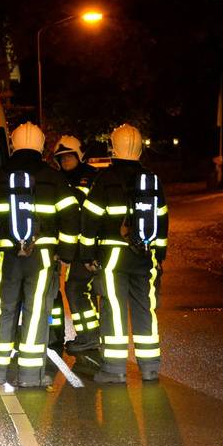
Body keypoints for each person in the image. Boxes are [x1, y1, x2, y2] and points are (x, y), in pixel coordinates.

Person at [0, 122, 79, 388]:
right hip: (43, 258)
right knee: (36, 313)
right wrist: (64, 254)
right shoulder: (54, 178)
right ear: (41, 145)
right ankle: (30, 376)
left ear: (13, 144)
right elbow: (71, 218)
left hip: (6, 257)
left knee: (2, 311)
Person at [79, 123, 168, 384]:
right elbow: (162, 219)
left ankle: (114, 369)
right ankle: (150, 367)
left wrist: (87, 255)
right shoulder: (152, 180)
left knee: (114, 309)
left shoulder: (104, 179)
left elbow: (90, 221)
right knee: (145, 309)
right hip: (145, 254)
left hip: (113, 256)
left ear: (113, 147)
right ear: (139, 148)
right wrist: (159, 255)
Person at [48, 135, 100, 352]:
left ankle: (90, 335)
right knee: (77, 288)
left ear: (79, 156)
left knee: (77, 288)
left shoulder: (91, 177)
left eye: (69, 157)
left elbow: (83, 208)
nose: (65, 162)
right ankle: (88, 334)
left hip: (87, 244)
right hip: (72, 244)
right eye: (61, 159)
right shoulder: (58, 179)